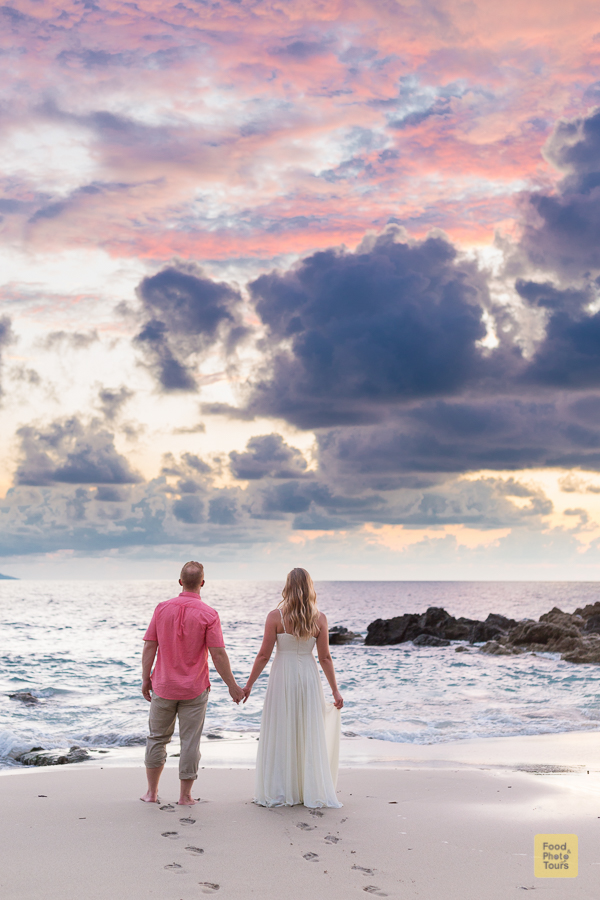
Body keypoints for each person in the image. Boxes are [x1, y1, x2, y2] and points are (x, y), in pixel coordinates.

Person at [140, 561, 244, 805]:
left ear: (180, 582)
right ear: (203, 583)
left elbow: (149, 645)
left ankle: (151, 793)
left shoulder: (162, 608)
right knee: (190, 742)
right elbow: (218, 654)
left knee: (157, 738)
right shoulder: (209, 614)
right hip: (194, 689)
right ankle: (185, 796)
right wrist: (232, 685)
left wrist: (146, 678)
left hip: (163, 686)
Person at [243, 567, 343, 808]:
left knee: (282, 728)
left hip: (282, 676)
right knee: (306, 729)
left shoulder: (275, 616)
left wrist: (248, 685)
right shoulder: (319, 618)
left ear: (287, 587)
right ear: (310, 587)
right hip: (308, 676)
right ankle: (305, 788)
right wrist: (335, 690)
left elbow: (263, 655)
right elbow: (325, 658)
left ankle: (281, 789)